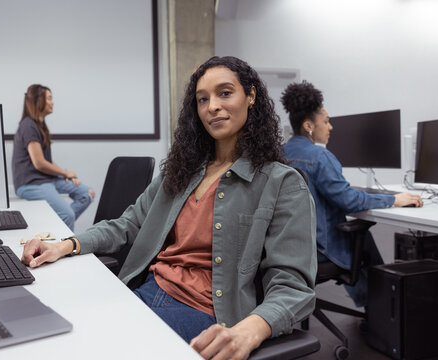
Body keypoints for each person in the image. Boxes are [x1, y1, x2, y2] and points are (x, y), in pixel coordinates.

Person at [22, 57, 317, 359]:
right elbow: (127, 224)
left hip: (203, 311)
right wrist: (65, 245)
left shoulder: (282, 183)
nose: (212, 106)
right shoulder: (182, 171)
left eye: (225, 93)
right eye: (202, 99)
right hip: (146, 289)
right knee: (52, 336)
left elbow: (292, 286)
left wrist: (250, 329)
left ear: (251, 96)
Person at [281, 80, 422, 308]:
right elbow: (349, 201)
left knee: (356, 237)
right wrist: (394, 199)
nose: (330, 127)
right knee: (361, 237)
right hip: (318, 250)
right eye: (325, 122)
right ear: (308, 125)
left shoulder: (279, 153)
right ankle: (381, 309)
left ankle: (372, 305)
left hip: (288, 250)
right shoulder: (319, 157)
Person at [12, 84, 95, 231]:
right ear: (39, 100)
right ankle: (64, 248)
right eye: (49, 98)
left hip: (46, 179)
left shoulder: (40, 126)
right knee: (67, 214)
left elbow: (47, 162)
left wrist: (67, 173)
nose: (53, 102)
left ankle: (55, 226)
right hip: (31, 183)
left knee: (87, 193)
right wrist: (64, 173)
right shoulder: (28, 126)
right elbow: (39, 163)